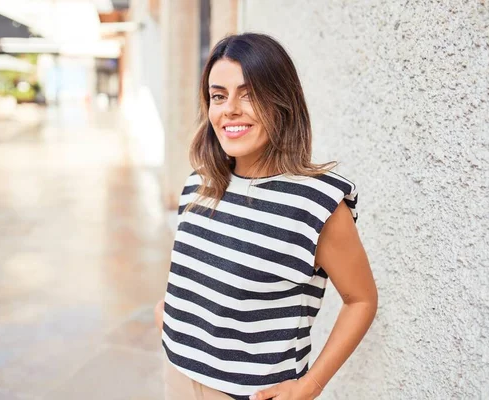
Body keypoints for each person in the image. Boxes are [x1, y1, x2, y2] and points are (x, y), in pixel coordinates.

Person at [154, 32, 378, 400]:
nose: (230, 109)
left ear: (281, 100)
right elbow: (192, 269)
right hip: (177, 370)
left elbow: (362, 300)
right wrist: (169, 315)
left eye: (249, 93)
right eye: (218, 96)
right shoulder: (200, 181)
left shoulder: (317, 202)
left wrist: (310, 385)